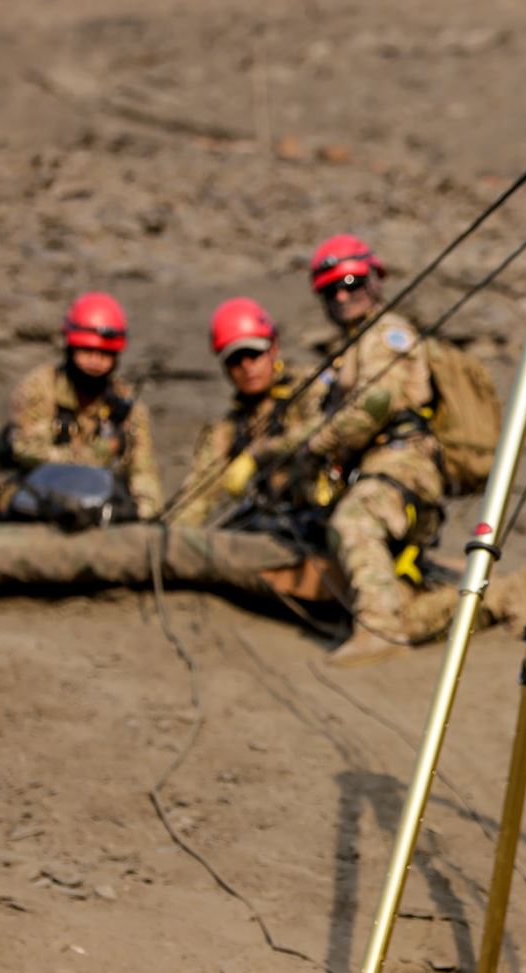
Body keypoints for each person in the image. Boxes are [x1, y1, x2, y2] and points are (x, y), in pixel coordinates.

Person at [294, 234, 448, 665]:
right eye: (331, 290)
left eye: (351, 283)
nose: (343, 296)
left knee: (355, 520)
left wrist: (317, 444)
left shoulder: (387, 334)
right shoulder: (350, 347)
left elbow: (376, 404)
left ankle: (378, 629)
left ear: (374, 281)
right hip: (377, 464)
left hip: (404, 461)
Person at [0, 291, 162, 521]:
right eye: (87, 351)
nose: (95, 361)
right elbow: (28, 450)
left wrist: (143, 514)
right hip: (35, 496)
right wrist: (100, 452)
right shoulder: (39, 389)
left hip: (100, 505)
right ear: (70, 348)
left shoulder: (128, 408)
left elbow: (144, 474)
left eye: (105, 354)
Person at [172, 297, 319, 529]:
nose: (247, 366)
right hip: (271, 525)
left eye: (254, 354)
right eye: (235, 360)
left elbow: (327, 429)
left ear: (273, 348)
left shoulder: (310, 388)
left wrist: (257, 454)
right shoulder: (226, 430)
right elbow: (199, 493)